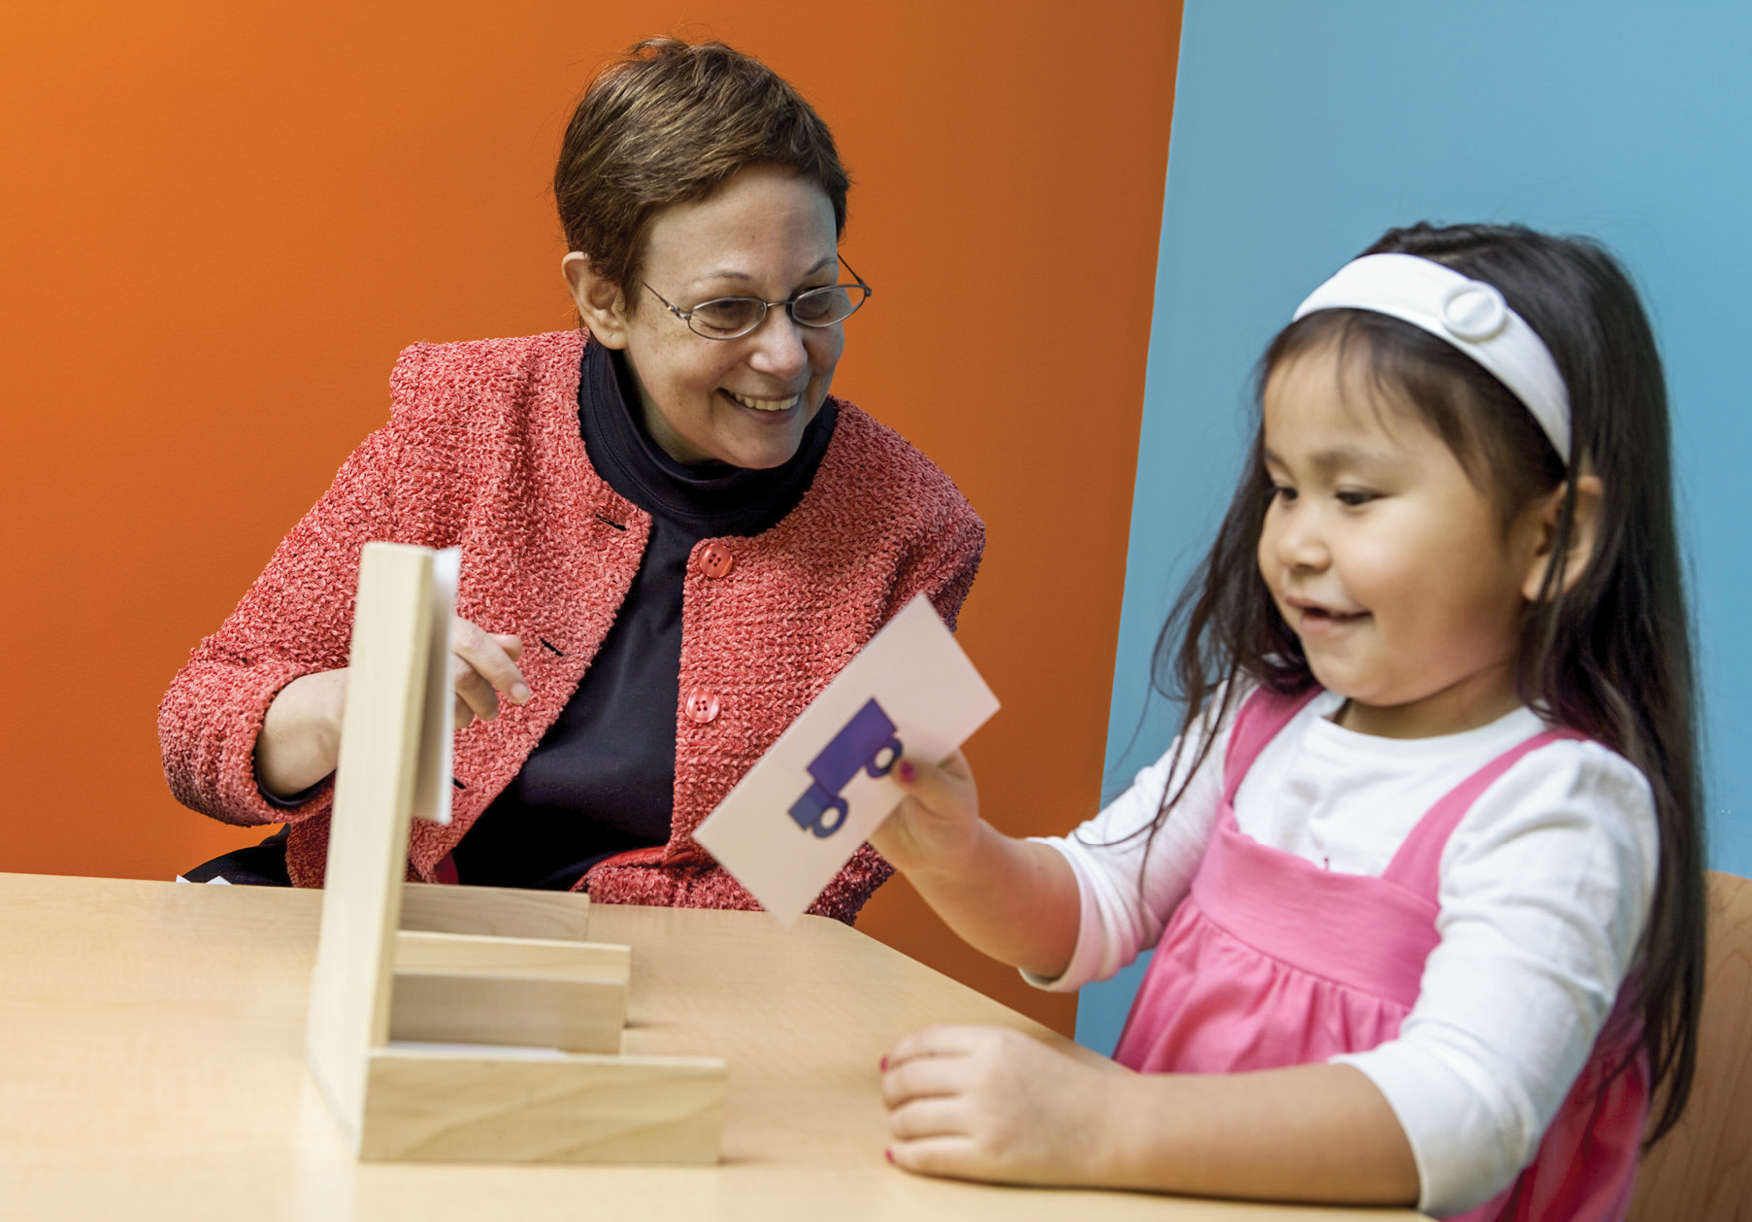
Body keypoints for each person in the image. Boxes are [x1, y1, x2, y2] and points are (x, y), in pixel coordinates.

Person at [871, 223, 1704, 1217]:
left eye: (1355, 494)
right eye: (1285, 487)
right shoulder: (1261, 720)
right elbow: (1094, 903)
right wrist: (959, 856)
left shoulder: (1562, 806)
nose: (1299, 539)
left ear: (1551, 537)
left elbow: (1465, 1112)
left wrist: (1097, 1122)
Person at [159, 38, 984, 919]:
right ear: (604, 300)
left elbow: (806, 883)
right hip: (354, 927)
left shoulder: (920, 532)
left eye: (816, 298)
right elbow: (198, 727)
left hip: (665, 991)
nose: (786, 356)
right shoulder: (459, 417)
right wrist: (343, 707)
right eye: (727, 309)